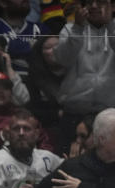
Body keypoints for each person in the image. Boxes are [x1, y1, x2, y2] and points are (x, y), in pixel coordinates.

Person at [53, 0, 114, 133]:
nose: (93, 6)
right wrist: (78, 28)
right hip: (74, 112)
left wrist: (110, 25)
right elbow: (63, 60)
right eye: (88, 2)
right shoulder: (70, 29)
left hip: (111, 115)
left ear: (113, 6)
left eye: (100, 2)